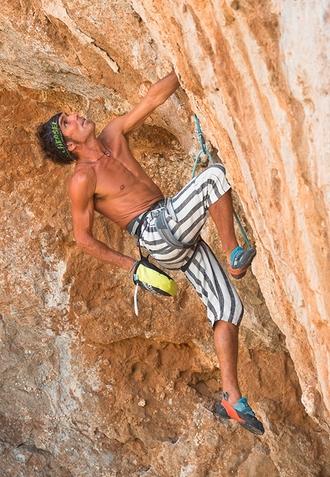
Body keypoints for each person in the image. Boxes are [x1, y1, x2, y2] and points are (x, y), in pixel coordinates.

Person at [36, 71, 264, 435]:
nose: (77, 115)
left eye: (70, 115)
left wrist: (185, 68)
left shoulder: (112, 134)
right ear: (72, 146)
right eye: (68, 123)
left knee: (228, 309)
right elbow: (83, 238)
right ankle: (234, 254)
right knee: (213, 178)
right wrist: (134, 267)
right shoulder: (82, 179)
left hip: (171, 226)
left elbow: (153, 99)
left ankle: (231, 399)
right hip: (155, 231)